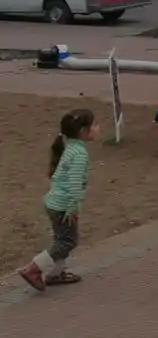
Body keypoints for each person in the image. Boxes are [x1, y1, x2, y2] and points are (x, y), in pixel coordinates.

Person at [16, 108, 100, 291]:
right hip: (63, 206)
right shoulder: (79, 153)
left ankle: (55, 273)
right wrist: (72, 207)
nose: (97, 127)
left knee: (62, 239)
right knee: (67, 242)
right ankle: (33, 269)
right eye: (94, 124)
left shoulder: (70, 147)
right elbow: (75, 183)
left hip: (55, 203)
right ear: (83, 131)